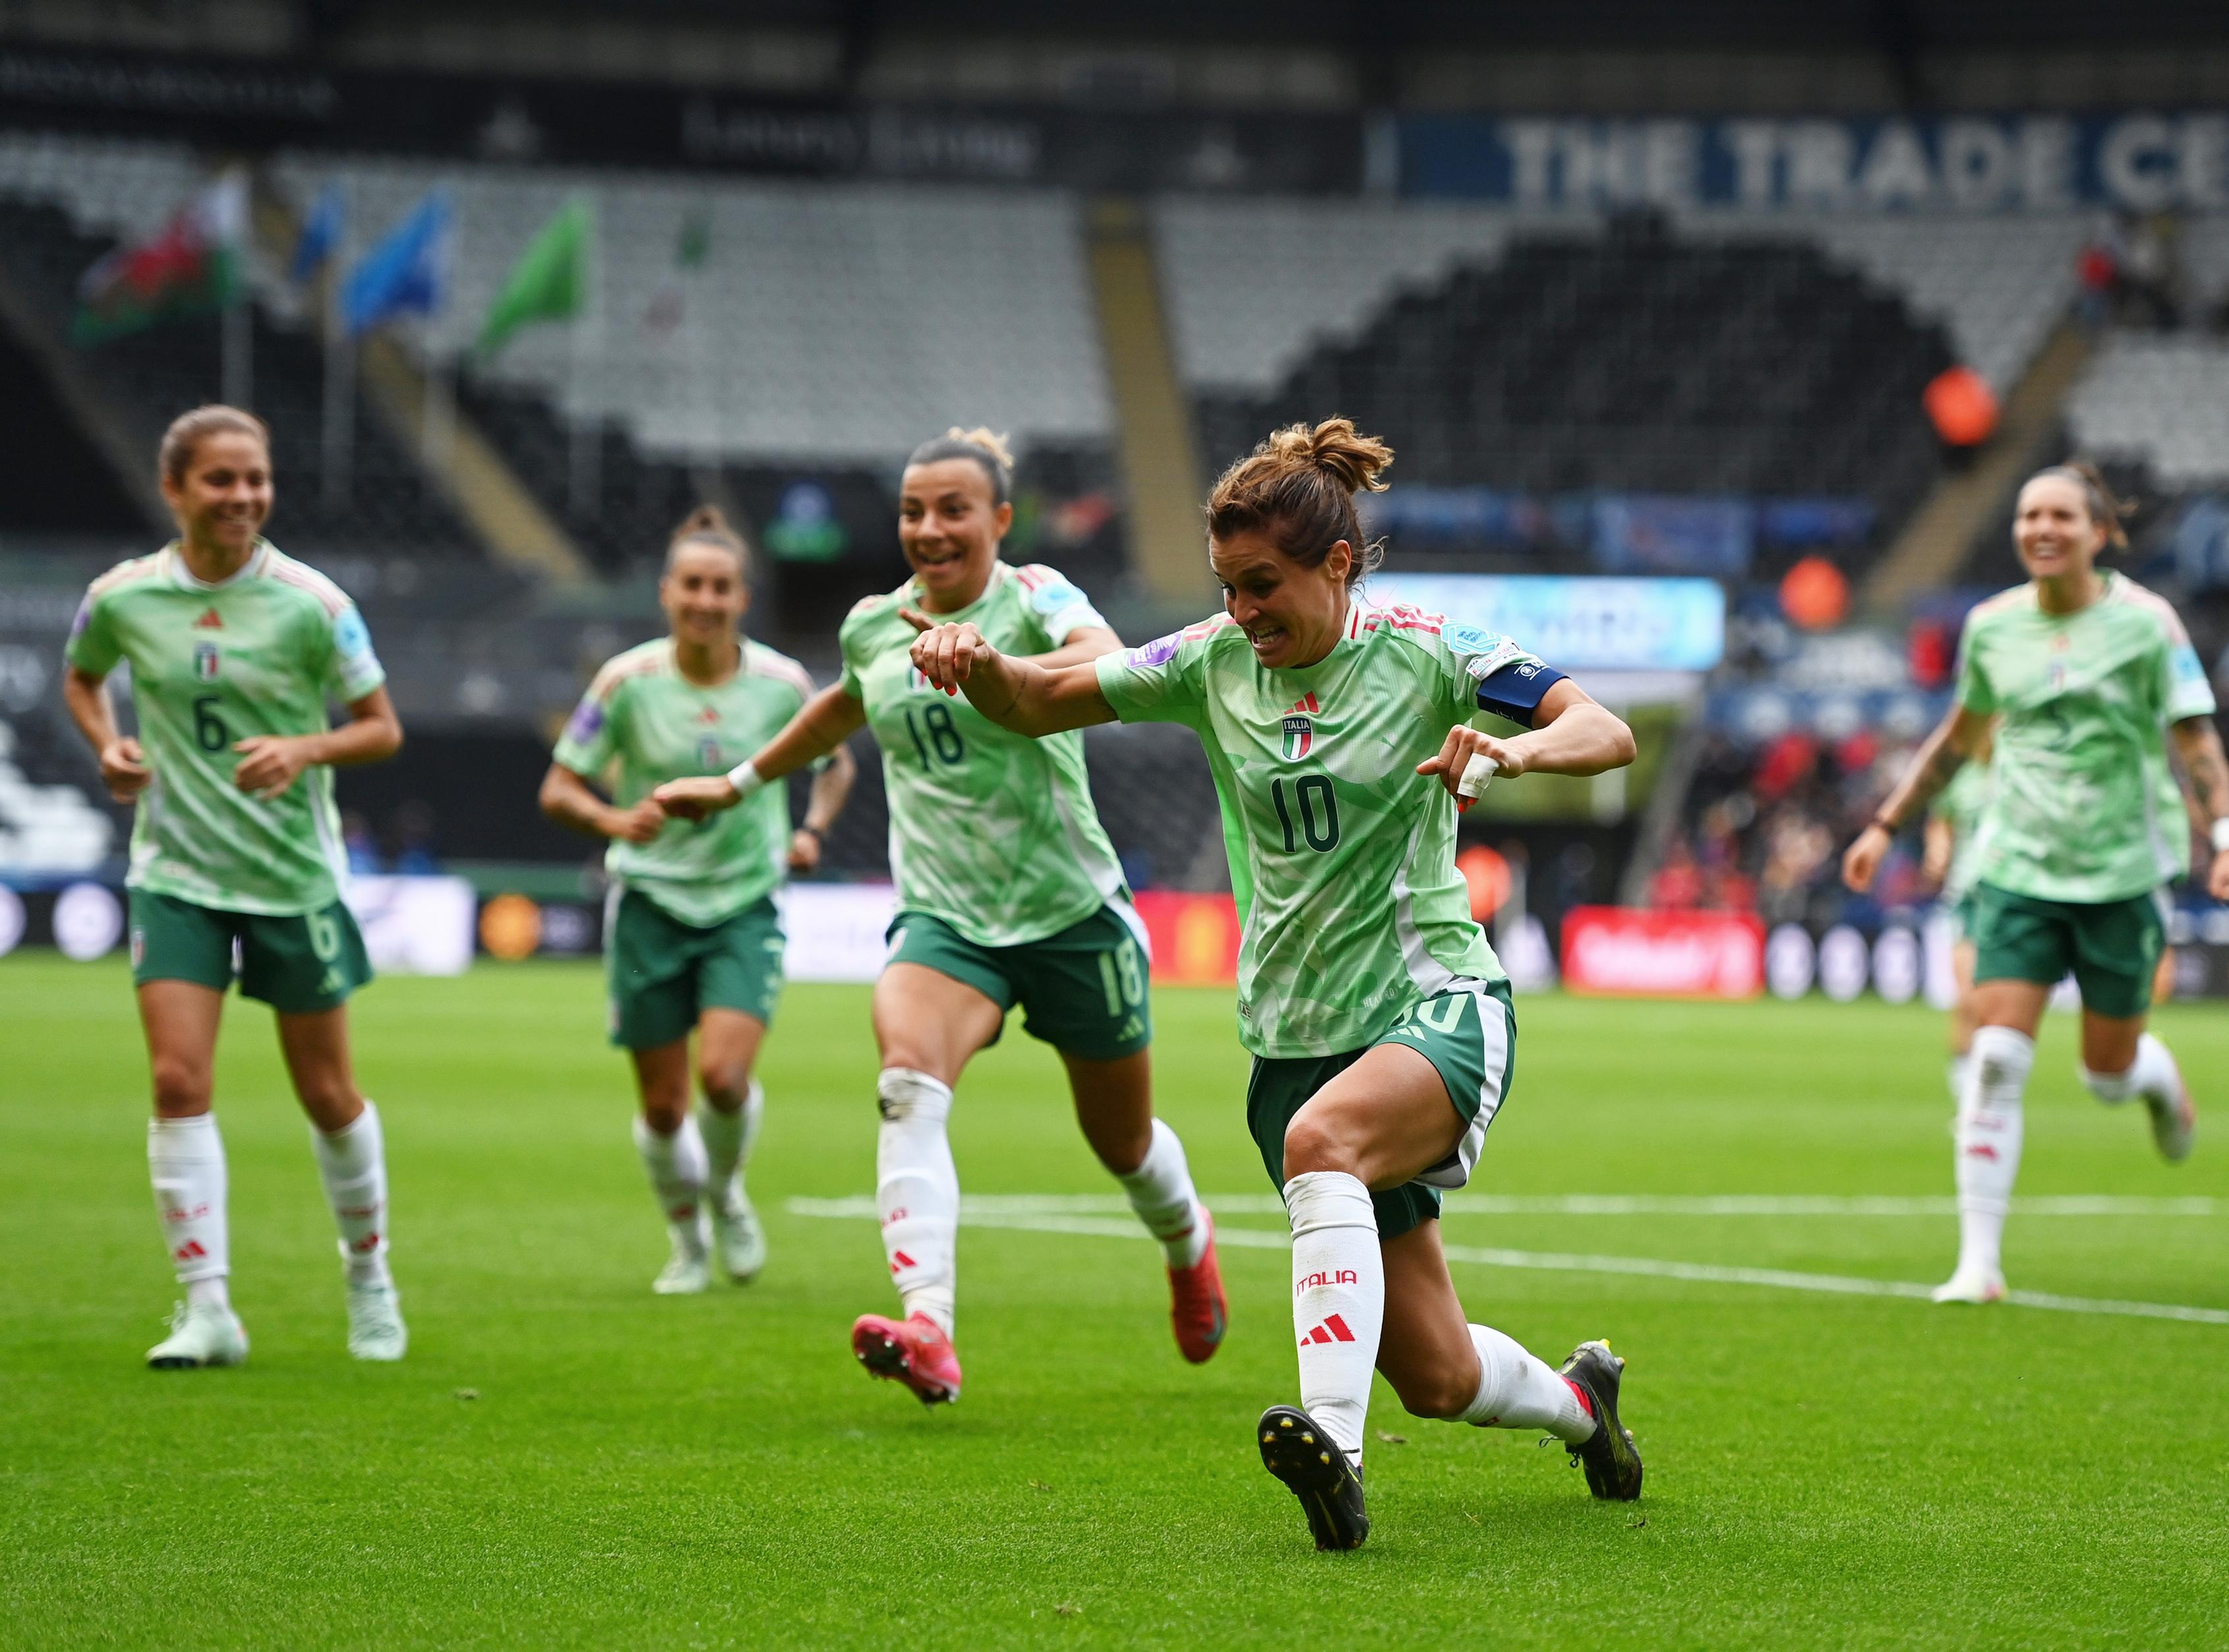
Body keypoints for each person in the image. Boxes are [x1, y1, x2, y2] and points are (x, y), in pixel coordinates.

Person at [900, 417, 1645, 1551]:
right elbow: (1041, 701)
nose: (1245, 612)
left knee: (1322, 1143)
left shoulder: (1430, 646)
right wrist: (977, 667)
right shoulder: (1208, 660)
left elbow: (1604, 728)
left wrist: (1513, 751)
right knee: (1439, 1375)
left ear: (1337, 565)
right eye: (1228, 588)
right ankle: (1585, 1408)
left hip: (1431, 1002)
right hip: (1292, 1037)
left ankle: (1336, 1464)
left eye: (1265, 586)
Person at [656, 428, 1226, 1403]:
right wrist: (745, 782)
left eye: (952, 508)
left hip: (1070, 911)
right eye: (914, 510)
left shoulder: (1038, 597)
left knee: (1123, 1143)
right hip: (946, 920)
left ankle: (1188, 1242)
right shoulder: (874, 625)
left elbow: (1107, 657)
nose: (929, 527)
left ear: (999, 520)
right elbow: (844, 706)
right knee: (906, 1082)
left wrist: (999, 659)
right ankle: (930, 1327)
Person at [1843, 462, 2229, 1305]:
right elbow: (1958, 739)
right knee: (1994, 1054)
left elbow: (2197, 740)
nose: (2040, 528)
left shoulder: (2147, 625)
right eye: (2029, 513)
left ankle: (2151, 1076)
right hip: (2017, 867)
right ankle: (1979, 1265)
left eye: (2061, 515)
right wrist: (1887, 824)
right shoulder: (1993, 627)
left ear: (2100, 532)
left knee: (2105, 1073)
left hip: (2121, 874)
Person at [61, 405, 407, 1367]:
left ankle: (370, 1277)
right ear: (174, 488)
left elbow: (380, 725)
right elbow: (83, 678)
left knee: (330, 1094)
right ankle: (207, 1306)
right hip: (175, 874)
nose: (244, 496)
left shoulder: (313, 602)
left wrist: (307, 745)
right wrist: (110, 746)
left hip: (293, 877)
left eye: (255, 478)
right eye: (221, 479)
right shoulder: (123, 598)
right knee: (177, 1080)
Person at [541, 508, 839, 1294]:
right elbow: (560, 785)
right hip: (648, 902)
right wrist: (612, 818)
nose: (705, 600)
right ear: (668, 593)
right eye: (692, 585)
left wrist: (810, 828)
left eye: (721, 587)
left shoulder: (781, 684)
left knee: (724, 1081)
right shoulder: (627, 683)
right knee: (665, 1107)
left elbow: (833, 763)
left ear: (742, 598)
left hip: (743, 903)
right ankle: (688, 1242)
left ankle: (726, 1193)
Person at [1919, 726, 1994, 1106]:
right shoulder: (1962, 777)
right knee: (1968, 1000)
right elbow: (1940, 820)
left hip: (2014, 897)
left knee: (1994, 1007)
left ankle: (1989, 1092)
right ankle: (1966, 1094)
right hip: (1967, 896)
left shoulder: (2023, 773)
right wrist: (1938, 848)